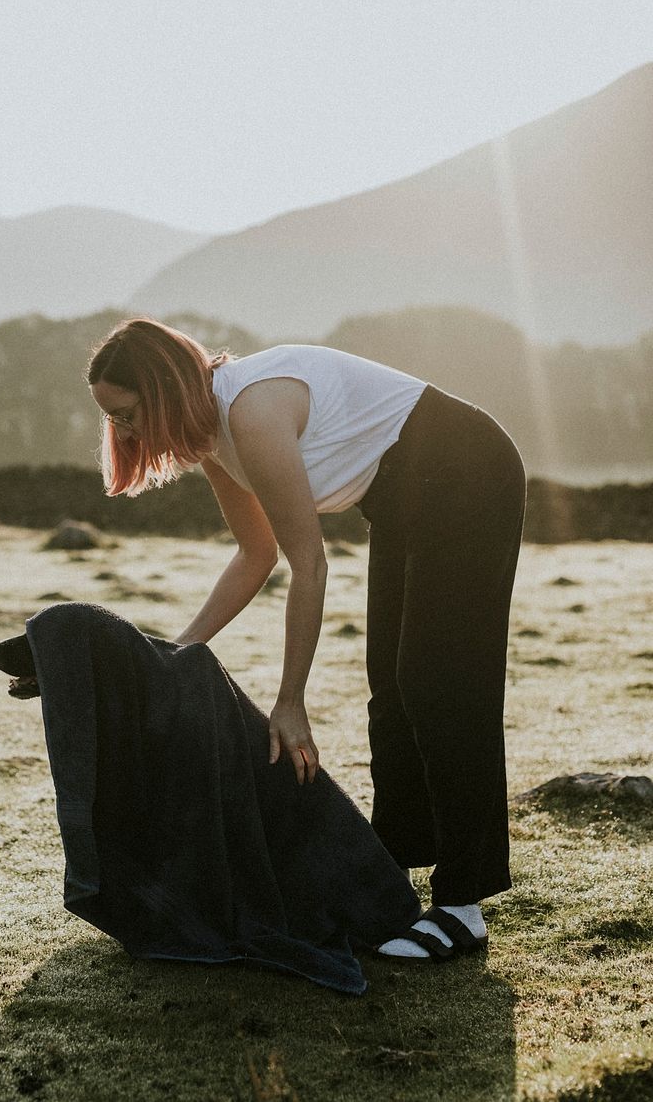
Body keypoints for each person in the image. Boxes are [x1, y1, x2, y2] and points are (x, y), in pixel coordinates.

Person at [86, 316, 526, 961]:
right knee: (393, 690)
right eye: (113, 421)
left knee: (440, 686)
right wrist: (177, 653)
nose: (123, 432)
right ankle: (393, 876)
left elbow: (308, 563)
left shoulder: (253, 410)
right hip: (406, 500)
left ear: (163, 389)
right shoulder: (214, 435)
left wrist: (290, 701)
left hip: (467, 474)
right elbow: (254, 555)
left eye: (127, 414)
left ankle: (464, 904)